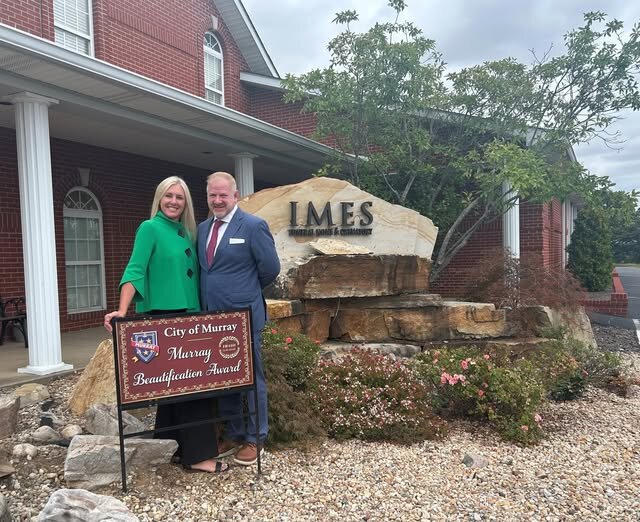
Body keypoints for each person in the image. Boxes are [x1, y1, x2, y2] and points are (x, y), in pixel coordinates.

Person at [104, 176, 228, 474]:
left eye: (180, 197)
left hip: (190, 314)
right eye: (168, 196)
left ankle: (169, 443)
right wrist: (122, 310)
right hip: (165, 316)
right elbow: (135, 268)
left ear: (186, 203)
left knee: (176, 385)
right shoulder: (149, 228)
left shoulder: (186, 233)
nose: (174, 201)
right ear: (159, 198)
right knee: (194, 387)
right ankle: (198, 456)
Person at [198, 172, 280, 465]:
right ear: (207, 197)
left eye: (223, 195)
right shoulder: (203, 229)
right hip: (212, 318)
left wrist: (242, 291)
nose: (218, 200)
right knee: (224, 378)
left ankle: (256, 437)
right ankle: (233, 431)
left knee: (252, 377)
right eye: (212, 195)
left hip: (243, 316)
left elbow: (270, 269)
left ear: (235, 196)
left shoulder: (254, 226)